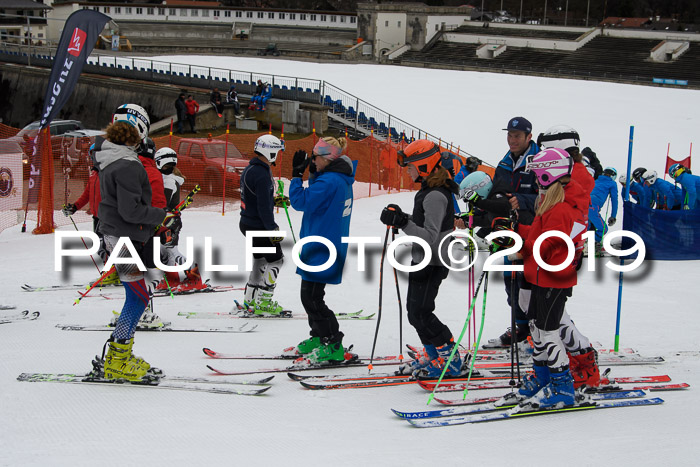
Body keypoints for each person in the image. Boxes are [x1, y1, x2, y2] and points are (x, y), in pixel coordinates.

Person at [505, 148, 599, 409]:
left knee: (548, 331)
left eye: (538, 175)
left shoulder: (561, 209)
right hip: (540, 275)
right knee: (536, 327)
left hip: (554, 278)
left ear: (549, 175)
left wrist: (517, 244)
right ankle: (543, 377)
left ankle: (562, 386)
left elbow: (546, 246)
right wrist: (514, 230)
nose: (535, 180)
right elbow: (538, 233)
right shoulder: (552, 204)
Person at [92, 103, 178, 381]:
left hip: (117, 235)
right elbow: (130, 210)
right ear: (139, 130)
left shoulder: (110, 157)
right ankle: (118, 358)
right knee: (139, 296)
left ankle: (118, 355)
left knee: (138, 294)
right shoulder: (127, 164)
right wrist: (161, 215)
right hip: (122, 238)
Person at [381, 140, 464, 378]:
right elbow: (426, 225)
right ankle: (433, 354)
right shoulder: (429, 191)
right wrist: (401, 216)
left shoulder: (436, 195)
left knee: (422, 312)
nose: (406, 170)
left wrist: (403, 222)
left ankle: (451, 358)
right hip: (424, 259)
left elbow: (429, 235)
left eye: (410, 165)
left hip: (433, 261)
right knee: (414, 311)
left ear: (424, 165)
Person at [287, 137, 356, 363]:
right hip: (324, 245)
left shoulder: (330, 182)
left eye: (315, 157)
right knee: (312, 295)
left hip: (322, 248)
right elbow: (320, 194)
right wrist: (313, 172)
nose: (312, 160)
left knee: (312, 298)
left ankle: (332, 342)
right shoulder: (335, 178)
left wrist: (297, 176)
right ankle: (319, 336)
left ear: (327, 159)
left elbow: (300, 201)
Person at [484, 117, 540, 348]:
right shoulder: (504, 163)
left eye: (517, 135)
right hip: (509, 232)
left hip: (534, 232)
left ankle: (539, 332)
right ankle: (521, 328)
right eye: (509, 135)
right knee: (511, 282)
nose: (512, 140)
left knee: (532, 285)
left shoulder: (541, 161)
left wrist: (523, 200)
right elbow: (496, 194)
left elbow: (552, 196)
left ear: (529, 137)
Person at [238, 134, 287, 316]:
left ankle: (250, 299)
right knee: (277, 259)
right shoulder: (262, 174)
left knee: (260, 259)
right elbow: (263, 208)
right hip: (258, 225)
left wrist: (274, 200)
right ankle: (264, 302)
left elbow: (257, 199)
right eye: (277, 152)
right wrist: (272, 228)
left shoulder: (251, 169)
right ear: (271, 151)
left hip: (248, 222)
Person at [62, 143, 108, 269]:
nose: (94, 158)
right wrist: (75, 207)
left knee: (106, 245)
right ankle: (110, 269)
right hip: (96, 216)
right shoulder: (94, 174)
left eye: (96, 154)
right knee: (100, 244)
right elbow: (87, 194)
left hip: (107, 216)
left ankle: (113, 270)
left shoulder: (108, 172)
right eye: (91, 155)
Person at [152, 147, 193, 292]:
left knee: (173, 251)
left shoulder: (169, 180)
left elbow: (164, 203)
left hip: (170, 222)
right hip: (166, 221)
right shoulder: (166, 178)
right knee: (165, 252)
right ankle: (172, 279)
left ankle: (195, 277)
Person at [588, 167, 619, 254]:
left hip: (584, 205)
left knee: (585, 226)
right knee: (603, 229)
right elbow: (614, 200)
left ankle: (582, 243)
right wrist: (613, 216)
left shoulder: (596, 181)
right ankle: (593, 243)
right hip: (593, 207)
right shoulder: (612, 184)